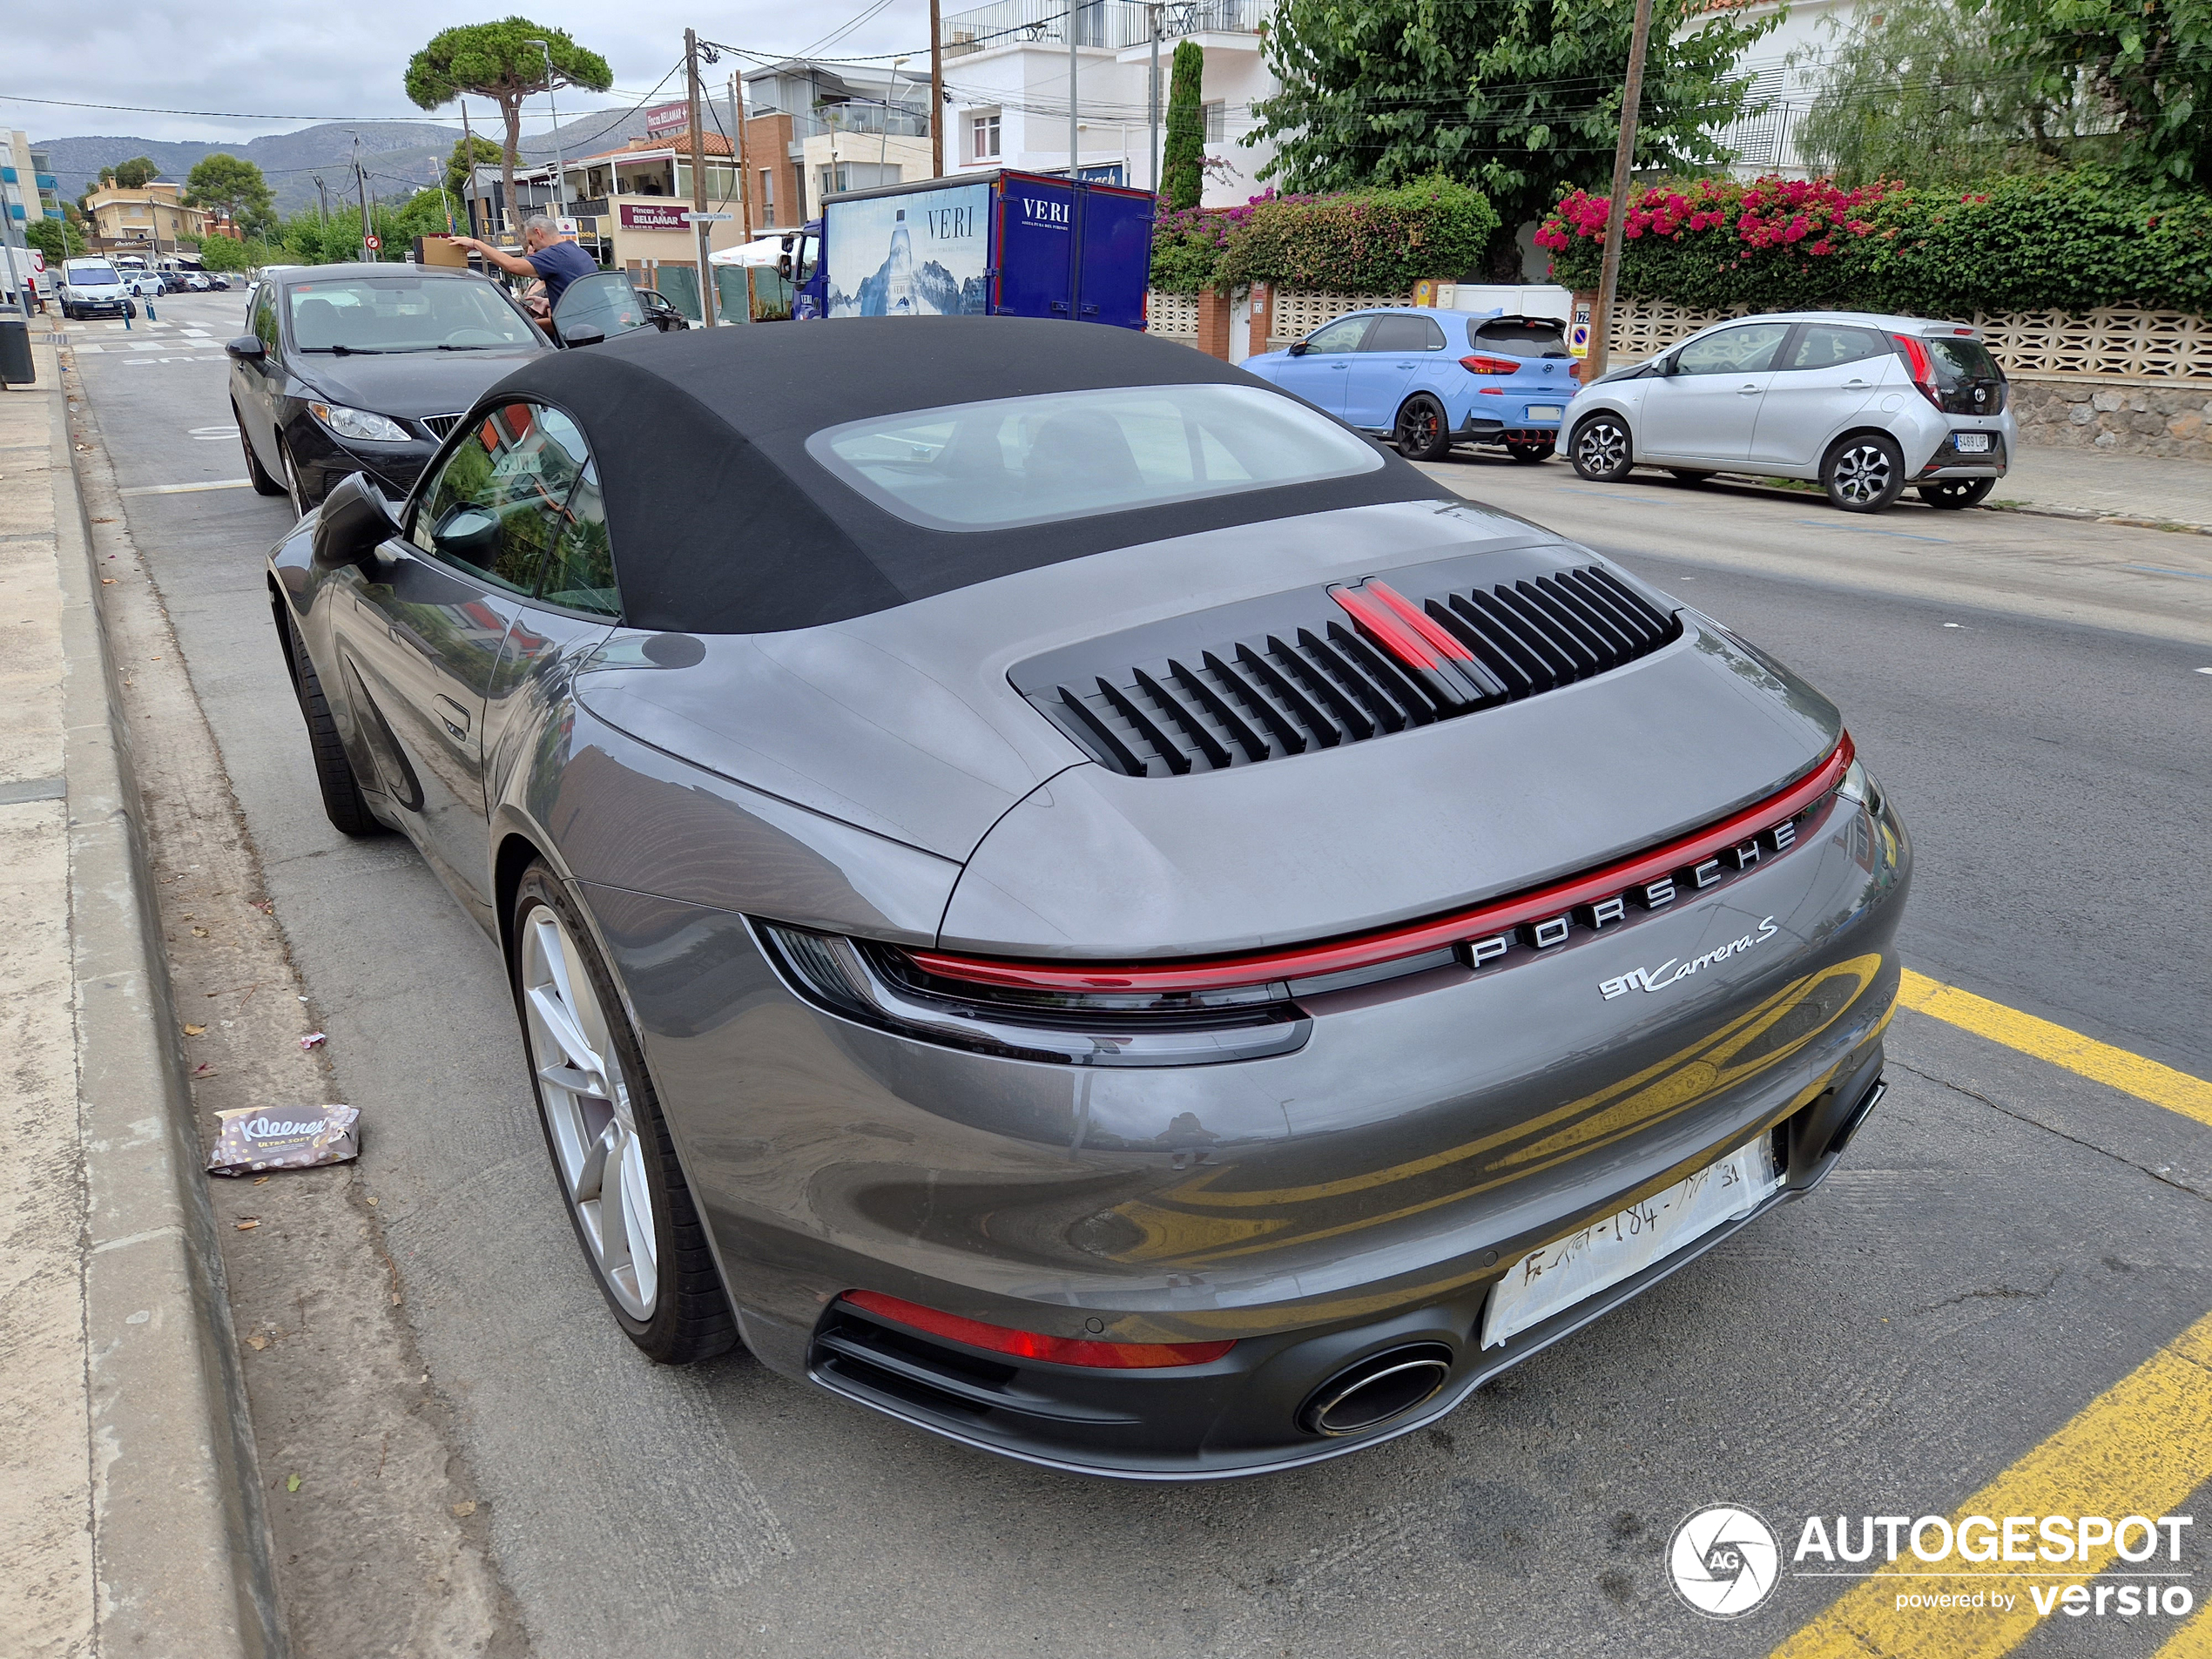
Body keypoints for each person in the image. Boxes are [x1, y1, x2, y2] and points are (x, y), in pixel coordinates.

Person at [450, 214, 597, 309]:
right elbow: (582, 298)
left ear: (538, 232)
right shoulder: (579, 252)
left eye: (531, 242)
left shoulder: (555, 255)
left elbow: (512, 266)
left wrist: (476, 244)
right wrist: (551, 304)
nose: (532, 249)